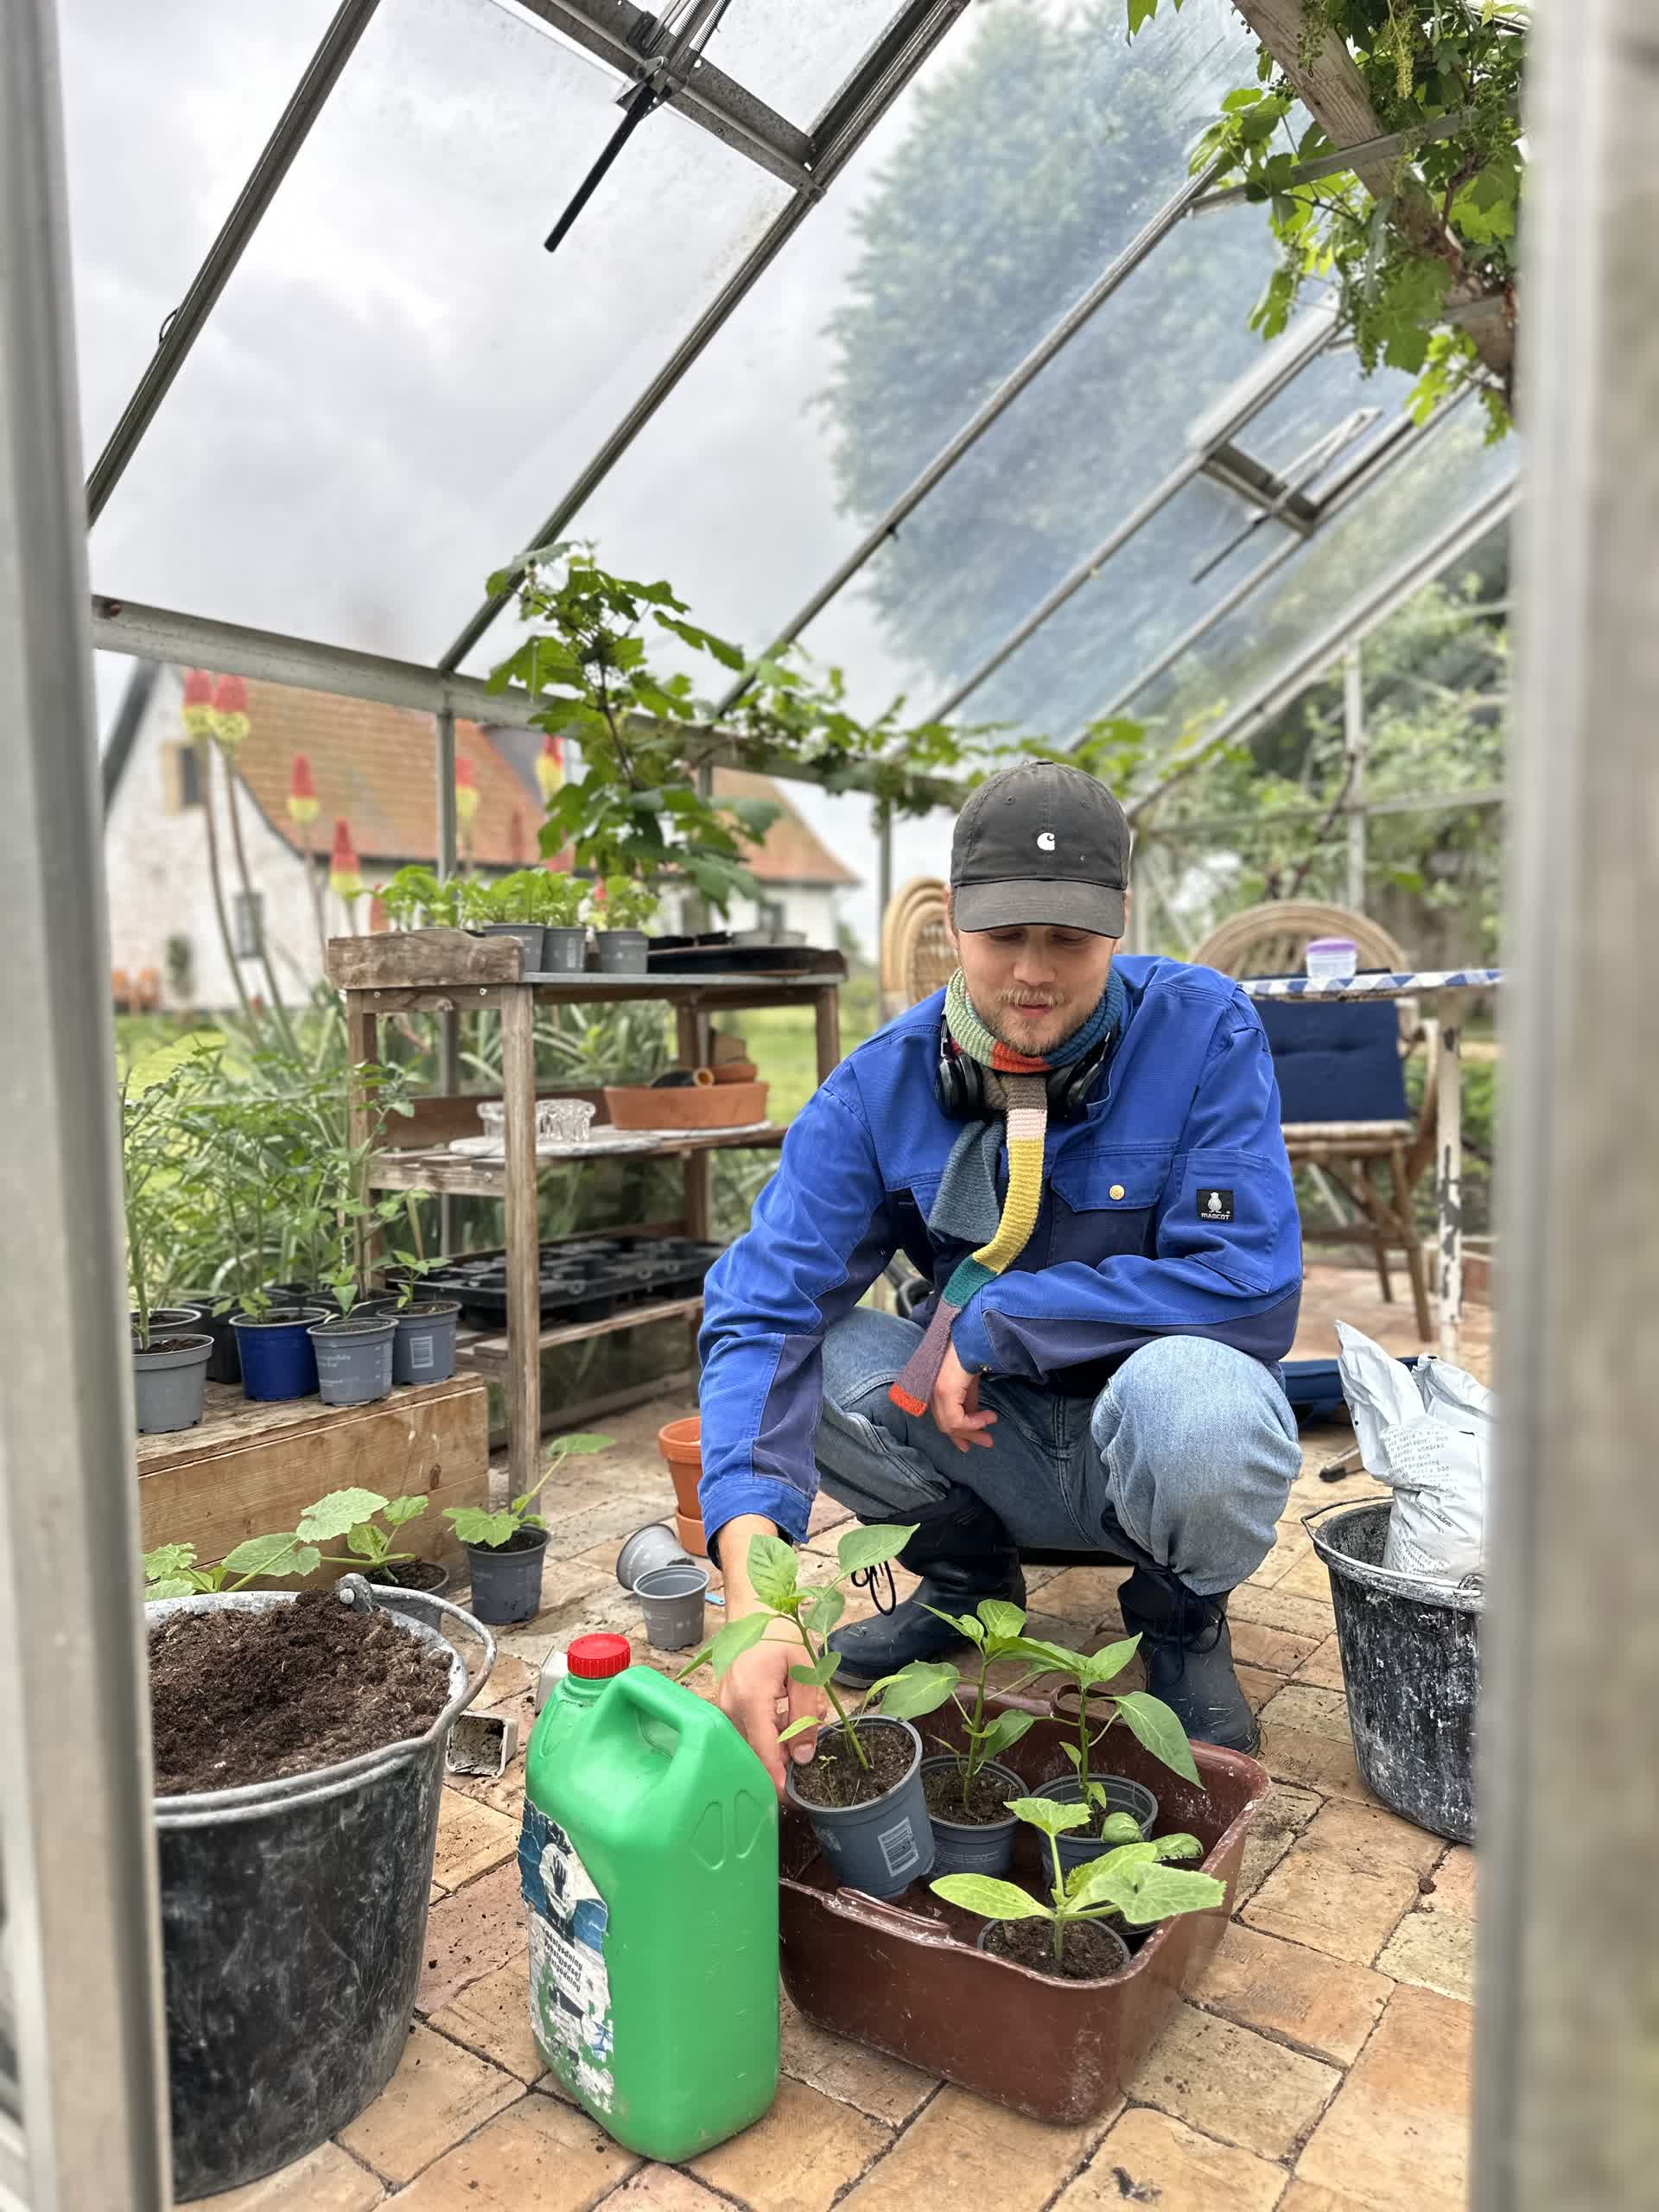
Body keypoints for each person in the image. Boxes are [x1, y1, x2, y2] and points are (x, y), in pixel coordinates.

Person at [696, 760, 1303, 1793]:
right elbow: (765, 1307)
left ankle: (1181, 1613)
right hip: (986, 1436)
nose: (1032, 972)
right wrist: (758, 1599)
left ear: (1119, 919)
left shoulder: (1204, 1030)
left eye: (1067, 939)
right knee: (831, 1351)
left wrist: (998, 1320)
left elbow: (1250, 1286)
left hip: (1136, 1431)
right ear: (955, 926)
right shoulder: (879, 1087)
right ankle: (960, 1578)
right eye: (1002, 935)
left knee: (1210, 1407)